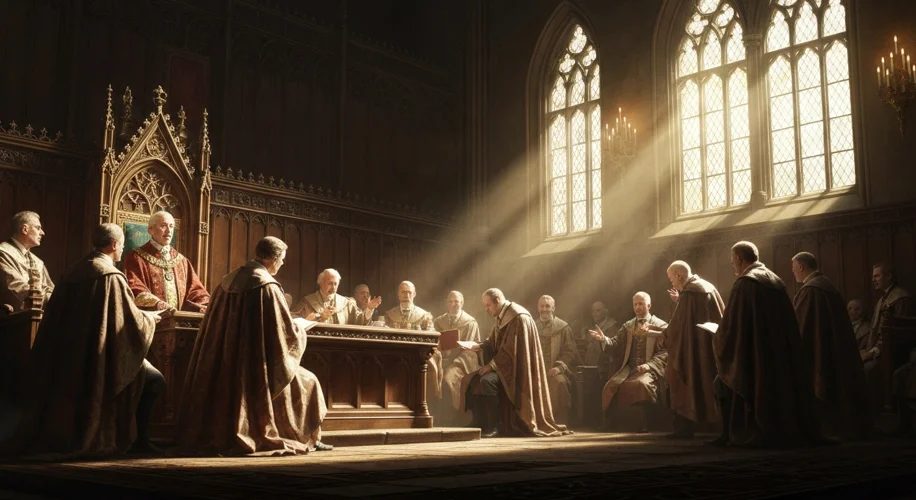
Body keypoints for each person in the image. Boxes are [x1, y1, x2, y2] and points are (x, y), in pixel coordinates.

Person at [0, 223, 164, 458]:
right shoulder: (110, 276)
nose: (121, 250)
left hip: (68, 357)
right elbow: (127, 321)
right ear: (115, 245)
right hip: (100, 355)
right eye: (122, 246)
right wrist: (149, 319)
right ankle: (140, 441)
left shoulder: (74, 270)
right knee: (156, 380)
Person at [176, 236, 332, 455]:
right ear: (273, 258)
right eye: (282, 259)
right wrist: (300, 329)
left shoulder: (227, 281)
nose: (283, 264)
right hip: (258, 367)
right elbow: (283, 334)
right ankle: (309, 438)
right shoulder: (266, 286)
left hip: (223, 365)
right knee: (310, 380)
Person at [710, 241, 824, 448]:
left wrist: (717, 334)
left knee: (721, 383)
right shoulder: (775, 281)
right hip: (778, 356)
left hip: (752, 357)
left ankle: (735, 433)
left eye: (733, 262)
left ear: (739, 259)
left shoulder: (745, 283)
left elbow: (732, 326)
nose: (733, 267)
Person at [461, 288, 571, 438]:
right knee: (472, 379)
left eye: (488, 305)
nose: (486, 309)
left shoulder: (517, 317)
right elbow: (493, 340)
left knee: (487, 381)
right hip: (507, 367)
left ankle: (494, 426)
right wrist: (479, 346)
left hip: (519, 370)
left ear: (497, 301)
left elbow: (510, 350)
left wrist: (491, 366)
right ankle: (480, 422)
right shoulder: (502, 315)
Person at [791, 252, 870, 439]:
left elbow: (802, 327)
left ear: (801, 266)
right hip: (833, 349)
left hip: (819, 351)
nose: (792, 271)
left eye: (793, 267)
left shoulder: (811, 290)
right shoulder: (827, 285)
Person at [645, 261, 722, 439]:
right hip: (707, 348)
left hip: (688, 350)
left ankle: (683, 428)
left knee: (678, 380)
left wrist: (663, 336)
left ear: (679, 275)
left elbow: (678, 326)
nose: (671, 283)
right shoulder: (707, 287)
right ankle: (711, 425)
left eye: (671, 279)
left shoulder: (689, 293)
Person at [590, 292, 667, 433]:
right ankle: (610, 423)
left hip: (649, 369)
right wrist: (603, 339)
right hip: (629, 369)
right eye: (635, 304)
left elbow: (665, 352)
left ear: (649, 305)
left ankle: (647, 423)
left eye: (641, 304)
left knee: (642, 384)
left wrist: (649, 365)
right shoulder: (628, 326)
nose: (638, 307)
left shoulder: (660, 325)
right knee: (611, 385)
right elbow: (615, 344)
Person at [122, 211, 210, 312]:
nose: (169, 231)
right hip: (151, 321)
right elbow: (134, 288)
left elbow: (195, 290)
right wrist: (157, 303)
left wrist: (204, 304)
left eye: (171, 226)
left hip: (181, 322)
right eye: (163, 226)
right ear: (150, 230)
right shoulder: (136, 258)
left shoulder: (182, 261)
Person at [430, 291, 481, 425]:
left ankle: (451, 419)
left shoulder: (470, 323)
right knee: (430, 376)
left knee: (448, 378)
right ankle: (433, 417)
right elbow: (433, 344)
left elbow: (472, 349)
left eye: (456, 301)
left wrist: (456, 362)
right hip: (441, 360)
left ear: (462, 303)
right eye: (450, 301)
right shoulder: (438, 322)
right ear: (447, 303)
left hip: (461, 361)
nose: (453, 304)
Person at [862, 263, 914, 373]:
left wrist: (872, 353)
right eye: (873, 276)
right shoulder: (883, 299)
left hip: (892, 355)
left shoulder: (901, 298)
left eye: (877, 276)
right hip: (880, 351)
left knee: (865, 370)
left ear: (889, 276)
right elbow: (874, 329)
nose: (873, 280)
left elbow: (899, 334)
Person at [535, 295, 579, 425]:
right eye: (542, 306)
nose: (544, 309)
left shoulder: (563, 328)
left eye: (548, 306)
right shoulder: (532, 326)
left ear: (553, 308)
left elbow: (570, 352)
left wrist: (558, 368)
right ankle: (534, 422)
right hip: (536, 370)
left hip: (557, 370)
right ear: (538, 308)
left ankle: (558, 421)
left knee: (559, 384)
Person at [0, 211, 54, 311]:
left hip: (39, 319)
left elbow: (49, 288)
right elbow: (15, 287)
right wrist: (53, 300)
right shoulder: (3, 253)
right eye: (38, 228)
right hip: (11, 320)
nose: (42, 232)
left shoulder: (38, 262)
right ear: (25, 229)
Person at [291, 269, 379, 324]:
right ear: (320, 282)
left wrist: (369, 308)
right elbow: (293, 320)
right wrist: (319, 317)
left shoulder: (346, 303)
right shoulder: (307, 301)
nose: (333, 287)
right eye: (330, 283)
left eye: (335, 284)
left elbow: (360, 321)